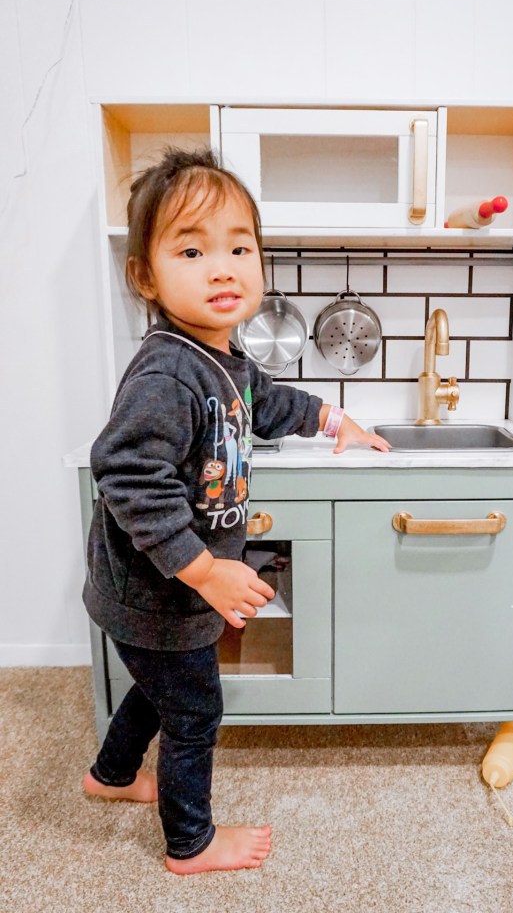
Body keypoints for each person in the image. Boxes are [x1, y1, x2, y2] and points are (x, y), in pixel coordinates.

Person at [81, 146, 390, 875]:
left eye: (239, 248)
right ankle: (189, 843)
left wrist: (332, 419)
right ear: (146, 277)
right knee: (195, 712)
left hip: (167, 592)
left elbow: (267, 401)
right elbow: (127, 475)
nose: (222, 268)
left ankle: (112, 776)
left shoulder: (223, 359)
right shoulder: (167, 371)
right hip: (159, 592)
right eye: (192, 250)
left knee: (159, 690)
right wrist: (205, 571)